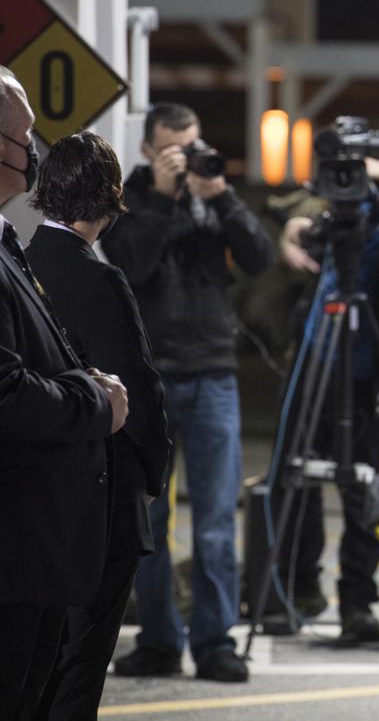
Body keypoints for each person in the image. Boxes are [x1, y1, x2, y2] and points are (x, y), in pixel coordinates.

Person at [105, 102, 274, 683]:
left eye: (191, 143)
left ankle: (213, 641)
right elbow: (129, 264)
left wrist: (221, 193)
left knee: (215, 520)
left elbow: (260, 257)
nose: (185, 155)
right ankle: (157, 640)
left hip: (213, 374)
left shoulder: (213, 192)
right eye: (173, 147)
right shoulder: (128, 195)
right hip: (150, 377)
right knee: (149, 518)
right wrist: (159, 194)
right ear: (150, 149)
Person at [274, 114, 379, 641]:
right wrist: (294, 229)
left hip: (372, 367)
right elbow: (301, 207)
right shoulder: (349, 197)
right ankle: (295, 589)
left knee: (363, 485)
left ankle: (357, 600)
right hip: (315, 358)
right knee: (294, 477)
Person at [24, 131, 171, 718]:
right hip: (100, 501)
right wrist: (153, 475)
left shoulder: (22, 267)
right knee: (81, 666)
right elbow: (139, 391)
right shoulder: (98, 279)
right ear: (110, 199)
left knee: (37, 662)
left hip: (35, 500)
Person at [0, 68, 128, 713]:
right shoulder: (81, 272)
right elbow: (5, 392)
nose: (32, 154)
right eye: (22, 138)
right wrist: (94, 400)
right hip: (19, 549)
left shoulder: (13, 245)